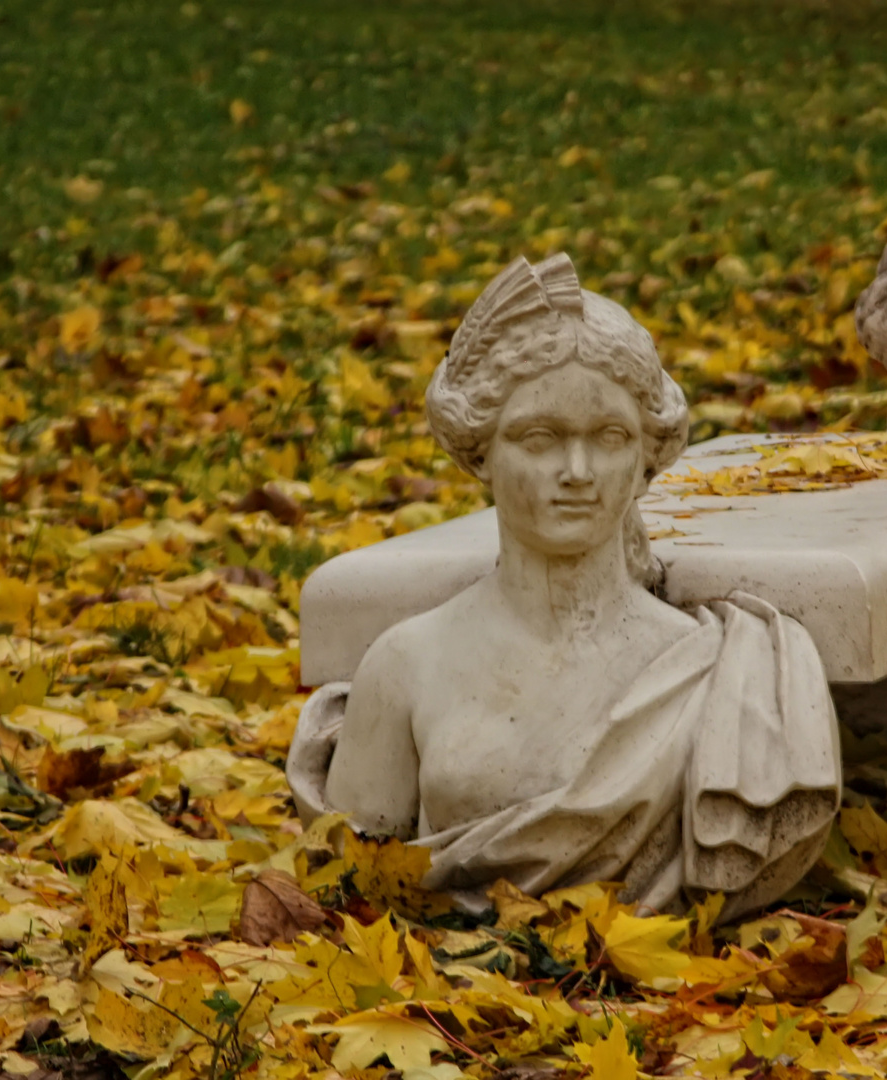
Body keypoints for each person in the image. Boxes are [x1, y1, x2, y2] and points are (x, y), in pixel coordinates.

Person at [287, 253, 840, 921]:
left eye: (609, 437)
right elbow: (357, 891)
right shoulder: (404, 668)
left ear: (645, 456)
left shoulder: (738, 676)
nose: (577, 471)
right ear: (482, 453)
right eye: (540, 437)